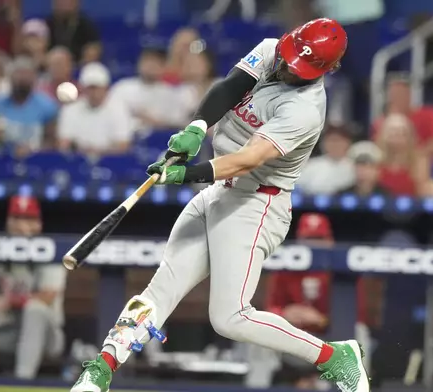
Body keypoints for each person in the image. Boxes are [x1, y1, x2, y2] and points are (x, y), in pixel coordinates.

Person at [70, 18, 369, 392]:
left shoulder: (306, 109)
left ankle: (335, 358)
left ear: (328, 69)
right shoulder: (271, 48)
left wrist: (184, 174)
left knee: (229, 318)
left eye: (300, 67)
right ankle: (102, 368)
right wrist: (196, 127)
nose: (289, 67)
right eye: (290, 57)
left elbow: (248, 159)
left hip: (256, 203)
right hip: (218, 190)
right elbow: (230, 87)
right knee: (161, 288)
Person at [266, 213, 375, 390]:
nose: (313, 245)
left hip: (330, 339)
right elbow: (269, 309)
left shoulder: (344, 270)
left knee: (360, 333)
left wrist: (321, 320)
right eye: (309, 239)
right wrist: (284, 314)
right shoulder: (285, 267)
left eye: (319, 239)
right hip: (292, 338)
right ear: (299, 241)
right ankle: (255, 386)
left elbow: (357, 317)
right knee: (260, 330)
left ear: (330, 241)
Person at [0, 196, 66, 379]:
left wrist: (9, 300)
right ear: (8, 221)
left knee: (35, 309)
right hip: (2, 332)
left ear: (38, 223)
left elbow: (47, 296)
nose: (22, 225)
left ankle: (22, 382)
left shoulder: (51, 250)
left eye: (28, 219)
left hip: (46, 338)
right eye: (17, 218)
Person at [0, 56, 58, 155]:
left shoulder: (47, 106)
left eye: (26, 75)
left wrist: (34, 150)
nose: (22, 80)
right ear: (10, 78)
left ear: (34, 78)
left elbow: (51, 141)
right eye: (18, 75)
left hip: (35, 160)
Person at [58, 62, 132, 157]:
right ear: (82, 88)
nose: (93, 93)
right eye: (90, 88)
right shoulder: (70, 109)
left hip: (109, 160)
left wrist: (98, 152)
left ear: (105, 88)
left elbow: (123, 145)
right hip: (78, 159)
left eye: (96, 88)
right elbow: (64, 144)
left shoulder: (119, 109)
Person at [110, 47, 186, 134]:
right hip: (126, 137)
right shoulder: (122, 87)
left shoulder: (170, 93)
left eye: (155, 62)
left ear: (164, 67)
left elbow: (176, 124)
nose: (150, 66)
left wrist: (152, 121)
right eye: (147, 60)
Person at [371, 74, 433, 160]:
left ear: (409, 95)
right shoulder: (381, 123)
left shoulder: (429, 114)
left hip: (425, 163)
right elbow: (378, 150)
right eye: (395, 93)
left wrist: (413, 157)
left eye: (403, 92)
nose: (399, 96)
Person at [376, 114, 430, 196]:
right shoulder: (376, 159)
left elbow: (422, 194)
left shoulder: (419, 161)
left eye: (402, 133)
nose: (397, 137)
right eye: (392, 133)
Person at [296, 125, 355, 195]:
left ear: (348, 143)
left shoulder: (355, 166)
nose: (335, 145)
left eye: (338, 141)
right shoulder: (312, 165)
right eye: (331, 141)